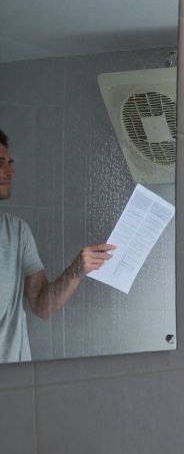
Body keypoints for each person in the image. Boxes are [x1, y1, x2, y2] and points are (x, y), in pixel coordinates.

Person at [0, 129, 115, 362]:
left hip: (16, 375)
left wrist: (76, 270)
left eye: (10, 163)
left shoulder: (18, 231)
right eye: (0, 163)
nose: (11, 171)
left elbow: (42, 305)